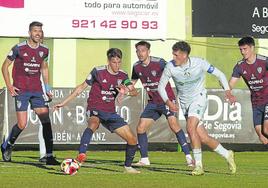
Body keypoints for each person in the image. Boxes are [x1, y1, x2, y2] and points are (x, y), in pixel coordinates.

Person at [53, 48, 140, 174]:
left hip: (110, 112)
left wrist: (126, 91)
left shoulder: (123, 75)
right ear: (109, 61)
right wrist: (63, 102)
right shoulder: (97, 72)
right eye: (114, 62)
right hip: (95, 108)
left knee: (132, 140)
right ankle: (81, 155)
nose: (117, 65)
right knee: (93, 123)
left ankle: (128, 167)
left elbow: (135, 92)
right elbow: (81, 88)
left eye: (119, 62)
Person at [158, 41, 236, 175]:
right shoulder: (170, 67)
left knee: (190, 128)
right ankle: (227, 153)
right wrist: (168, 102)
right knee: (203, 137)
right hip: (184, 103)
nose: (173, 57)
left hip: (199, 98)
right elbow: (161, 86)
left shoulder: (199, 63)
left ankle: (198, 166)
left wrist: (227, 91)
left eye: (176, 55)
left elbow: (220, 74)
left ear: (184, 55)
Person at [1, 21, 60, 165]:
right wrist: (9, 86)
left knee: (46, 121)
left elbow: (44, 68)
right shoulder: (19, 48)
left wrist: (47, 88)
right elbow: (4, 66)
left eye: (39, 31)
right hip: (21, 90)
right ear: (29, 33)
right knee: (22, 124)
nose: (38, 33)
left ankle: (49, 155)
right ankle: (7, 145)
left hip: (37, 91)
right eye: (35, 31)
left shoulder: (45, 50)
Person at [131, 41, 194, 167]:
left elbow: (175, 70)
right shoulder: (136, 66)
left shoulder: (159, 63)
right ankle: (144, 159)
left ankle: (189, 158)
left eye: (143, 50)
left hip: (167, 100)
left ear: (149, 51)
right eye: (138, 51)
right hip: (153, 102)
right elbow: (132, 82)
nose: (140, 53)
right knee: (140, 128)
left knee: (174, 125)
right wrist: (125, 90)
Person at [229, 36, 268, 145]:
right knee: (261, 135)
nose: (242, 52)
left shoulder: (264, 61)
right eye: (240, 49)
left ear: (252, 48)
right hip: (256, 102)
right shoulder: (240, 66)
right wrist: (226, 88)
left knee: (266, 129)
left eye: (245, 49)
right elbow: (231, 84)